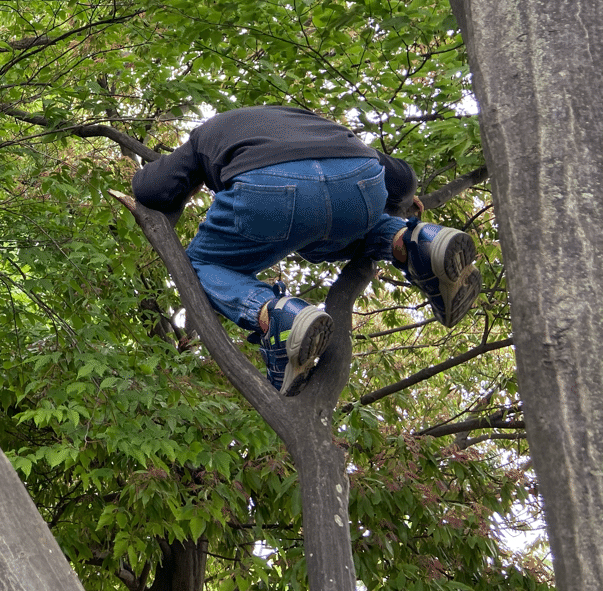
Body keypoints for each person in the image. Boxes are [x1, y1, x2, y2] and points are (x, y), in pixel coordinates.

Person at [131, 105, 480, 395]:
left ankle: (276, 316)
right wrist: (402, 204)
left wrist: (187, 184)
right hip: (358, 177)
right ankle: (414, 242)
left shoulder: (208, 133)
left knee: (199, 264)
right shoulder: (317, 125)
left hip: (268, 190)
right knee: (318, 243)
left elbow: (150, 189)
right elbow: (401, 177)